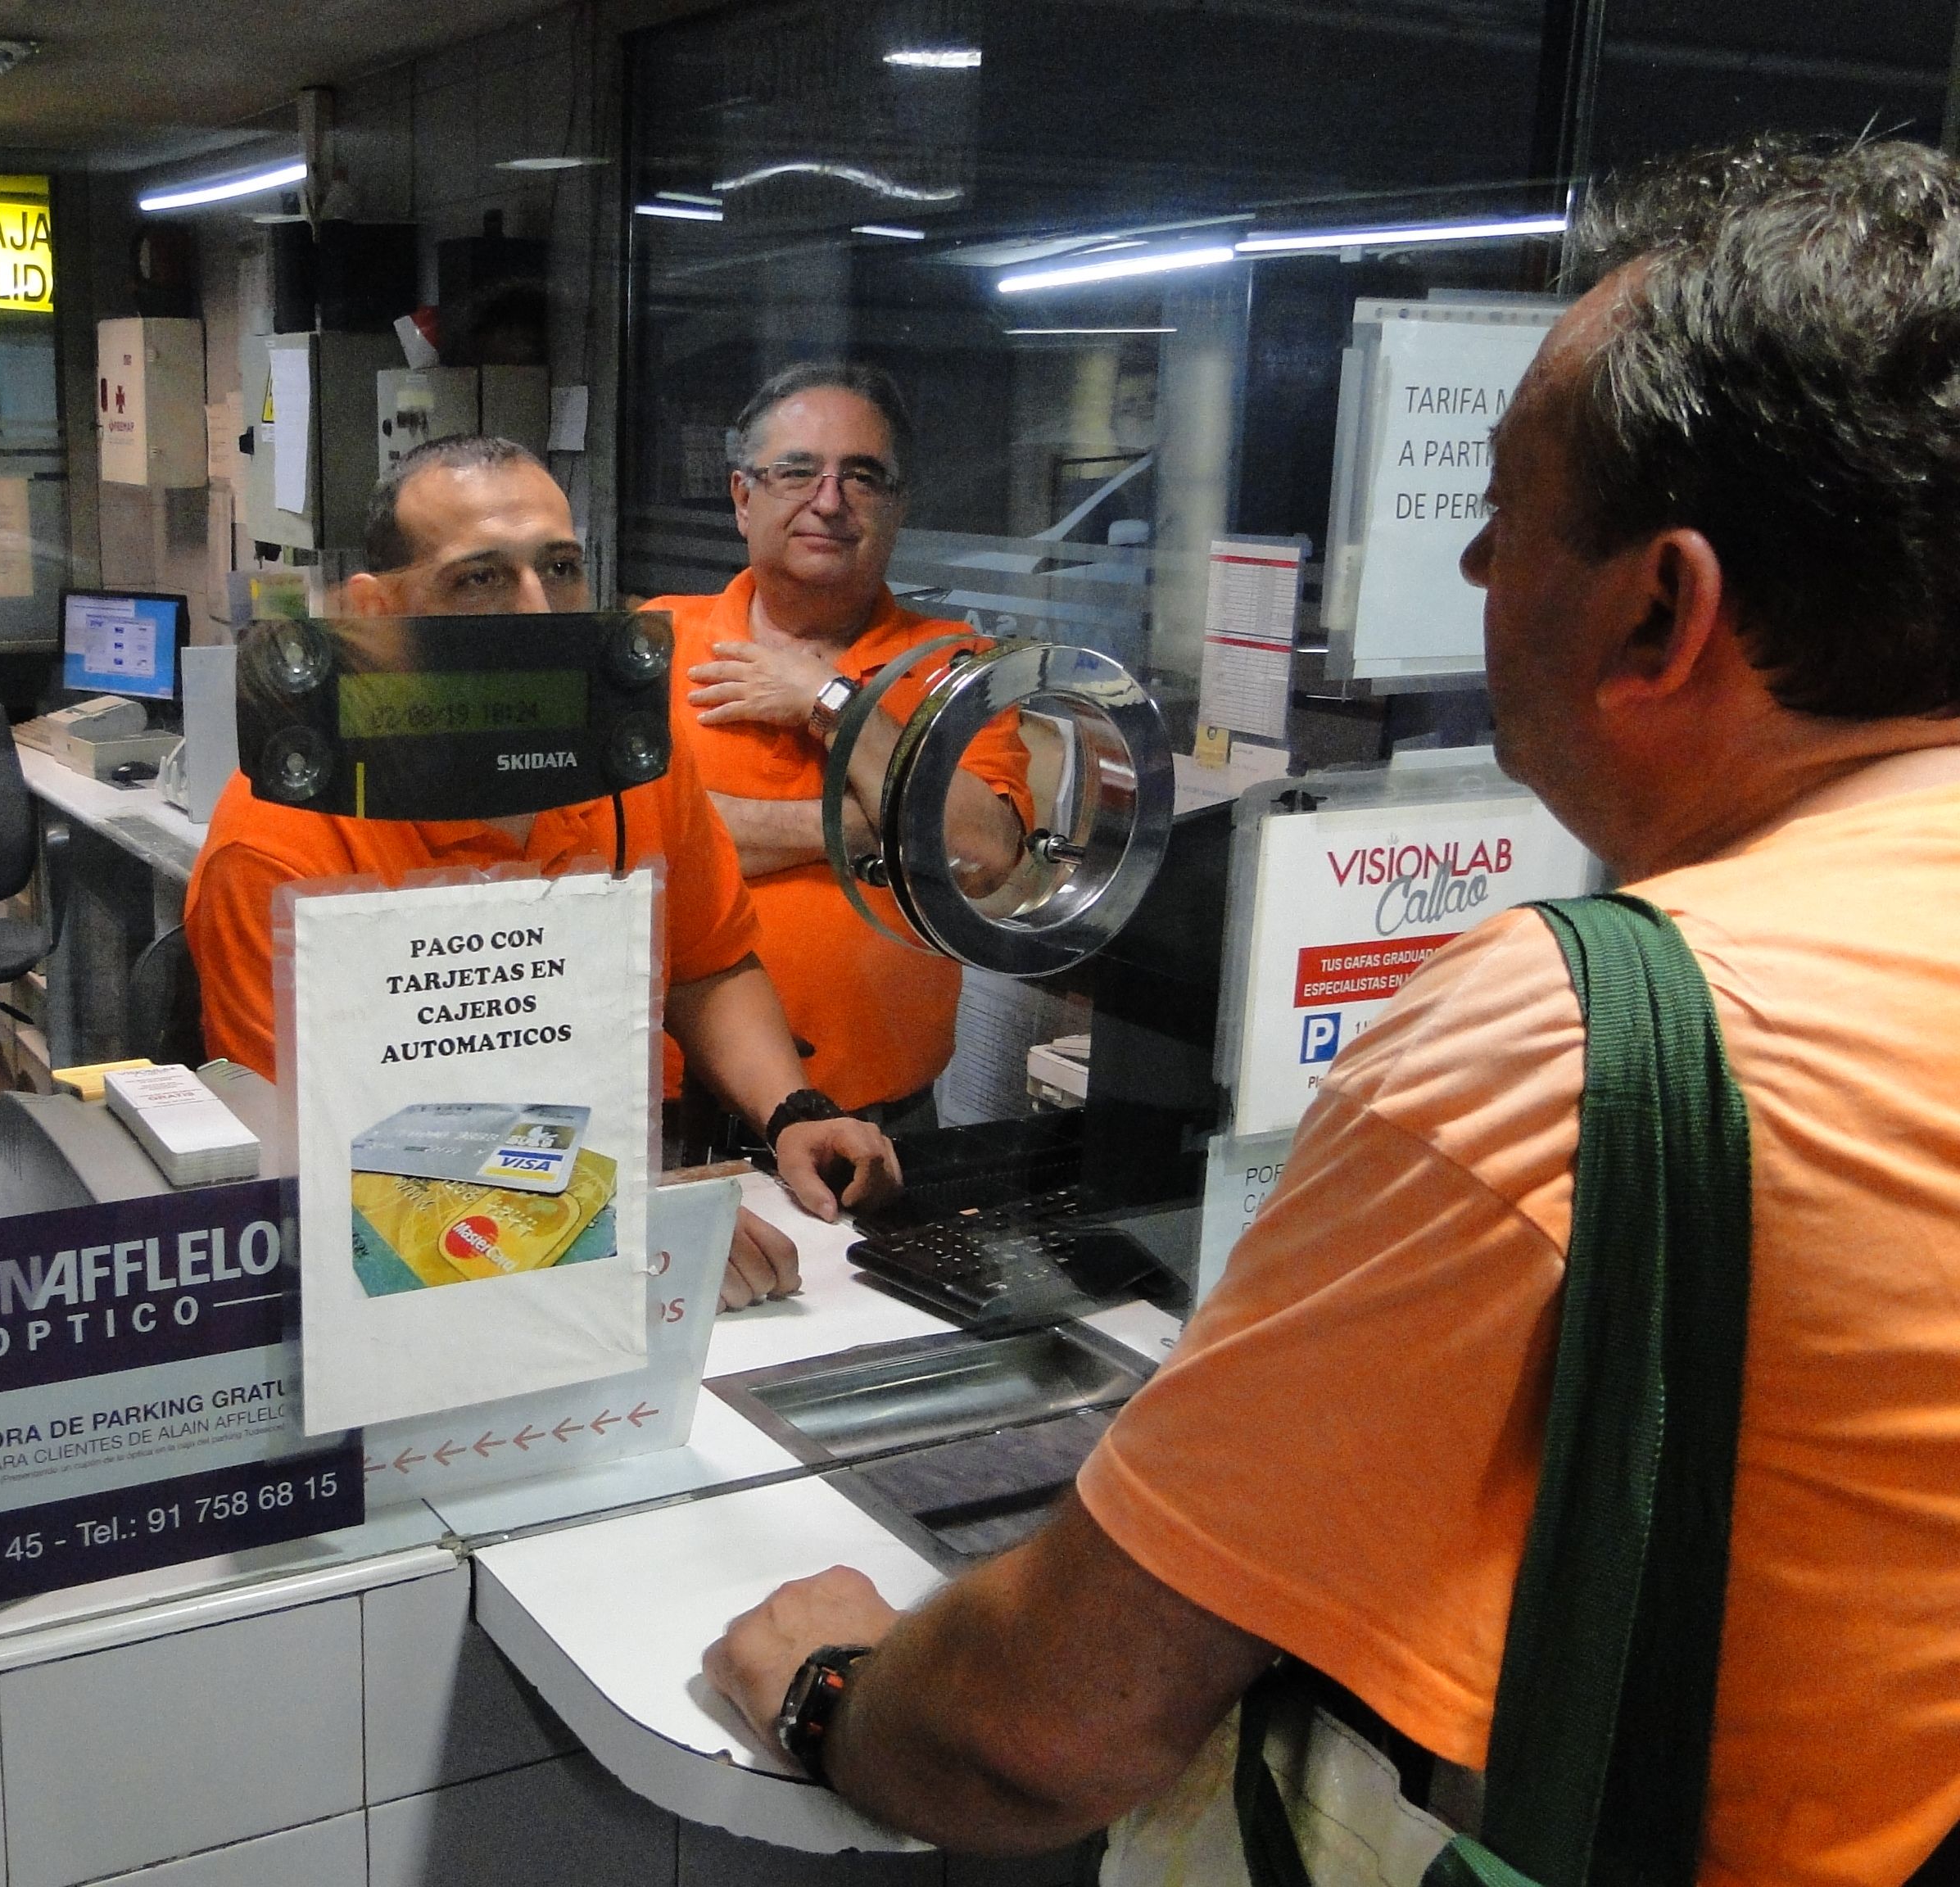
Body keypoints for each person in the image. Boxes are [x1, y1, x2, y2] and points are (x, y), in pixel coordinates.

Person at [702, 138, 1960, 1884]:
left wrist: (834, 1688)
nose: (1470, 578)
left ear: (1661, 606)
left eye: (1504, 521)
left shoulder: (1579, 1045)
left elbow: (1040, 1730)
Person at [185, 436, 903, 1310]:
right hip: (405, 1270)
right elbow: (320, 1166)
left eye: (560, 569)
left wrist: (792, 1112)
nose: (541, 613)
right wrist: (611, 1229)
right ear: (374, 614)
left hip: (623, 1186)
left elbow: (707, 961)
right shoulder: (279, 839)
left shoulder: (632, 766)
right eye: (481, 578)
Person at [651, 363, 1035, 1127]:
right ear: (741, 497)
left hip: (887, 1122)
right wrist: (872, 830)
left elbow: (984, 855)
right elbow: (629, 849)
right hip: (678, 1116)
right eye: (797, 471)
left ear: (896, 509)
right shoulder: (655, 643)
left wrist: (832, 704)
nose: (829, 502)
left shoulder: (957, 668)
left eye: (862, 477)